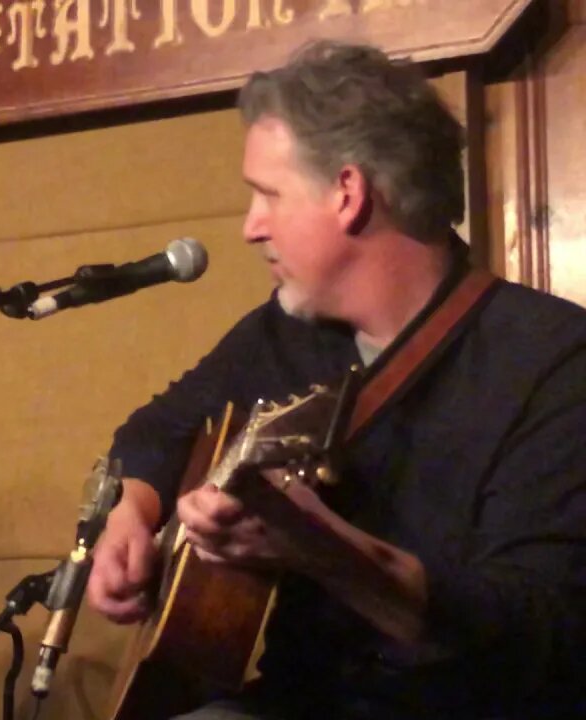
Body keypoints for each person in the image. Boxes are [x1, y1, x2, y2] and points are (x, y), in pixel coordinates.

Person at [87, 41, 586, 719]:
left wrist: (324, 552)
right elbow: (161, 427)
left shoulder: (555, 361)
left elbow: (538, 632)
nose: (249, 228)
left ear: (348, 194)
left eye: (267, 195)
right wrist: (131, 513)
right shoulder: (286, 333)